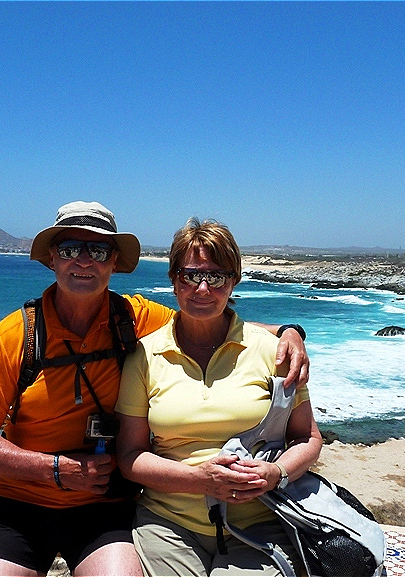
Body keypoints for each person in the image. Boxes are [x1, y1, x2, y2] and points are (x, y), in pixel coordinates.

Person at [0, 202, 309, 577]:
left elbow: (206, 316)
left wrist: (289, 331)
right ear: (53, 259)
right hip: (21, 500)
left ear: (114, 262)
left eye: (99, 250)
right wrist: (56, 469)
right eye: (71, 249)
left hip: (105, 502)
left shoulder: (133, 318)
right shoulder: (15, 337)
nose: (85, 261)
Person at [115, 218, 324, 577]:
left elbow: (307, 437)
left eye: (216, 277)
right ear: (173, 280)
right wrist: (201, 480)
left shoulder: (273, 352)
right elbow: (130, 456)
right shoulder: (144, 356)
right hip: (169, 524)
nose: (202, 289)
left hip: (261, 523)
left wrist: (276, 473)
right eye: (190, 275)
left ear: (234, 281)